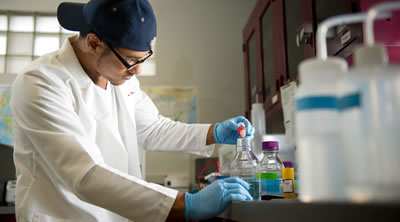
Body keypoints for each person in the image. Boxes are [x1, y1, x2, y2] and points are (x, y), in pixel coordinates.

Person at [10, 0, 256, 221]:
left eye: (144, 58)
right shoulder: (41, 82)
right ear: (94, 43)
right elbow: (85, 174)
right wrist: (184, 204)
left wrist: (215, 132)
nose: (137, 71)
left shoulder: (119, 76)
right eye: (131, 60)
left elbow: (153, 129)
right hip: (64, 216)